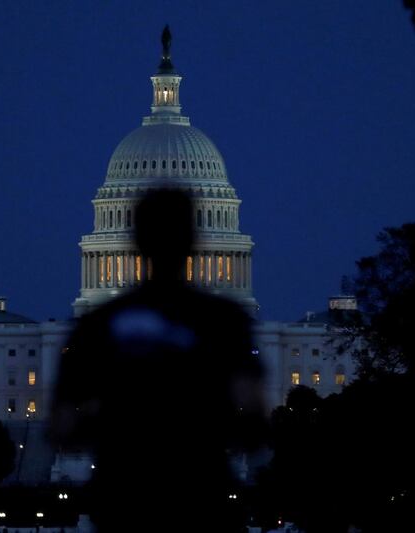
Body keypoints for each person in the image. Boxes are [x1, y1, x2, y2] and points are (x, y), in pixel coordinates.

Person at [51, 189, 265, 532]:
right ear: (194, 238)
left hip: (125, 504)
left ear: (135, 238)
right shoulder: (226, 323)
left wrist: (120, 424)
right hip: (202, 501)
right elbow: (253, 423)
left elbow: (63, 427)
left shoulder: (97, 326)